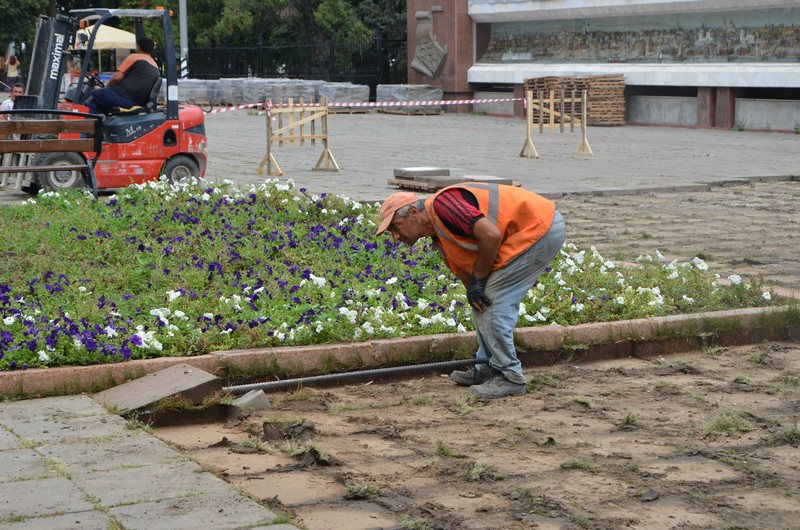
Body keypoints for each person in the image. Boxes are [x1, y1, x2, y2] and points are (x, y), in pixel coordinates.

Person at [376, 184, 566, 399]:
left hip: (539, 227)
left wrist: (479, 282)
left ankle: (510, 376)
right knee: (484, 302)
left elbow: (491, 236)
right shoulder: (438, 235)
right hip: (532, 229)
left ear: (413, 213)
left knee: (494, 300)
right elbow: (466, 271)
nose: (395, 237)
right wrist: (476, 291)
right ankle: (487, 365)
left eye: (396, 227)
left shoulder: (444, 206)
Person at [85, 36, 159, 115]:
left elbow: (116, 78)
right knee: (100, 97)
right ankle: (103, 121)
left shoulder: (134, 57)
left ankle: (90, 124)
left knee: (93, 95)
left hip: (123, 97)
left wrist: (106, 87)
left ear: (138, 47)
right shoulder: (155, 66)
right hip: (137, 101)